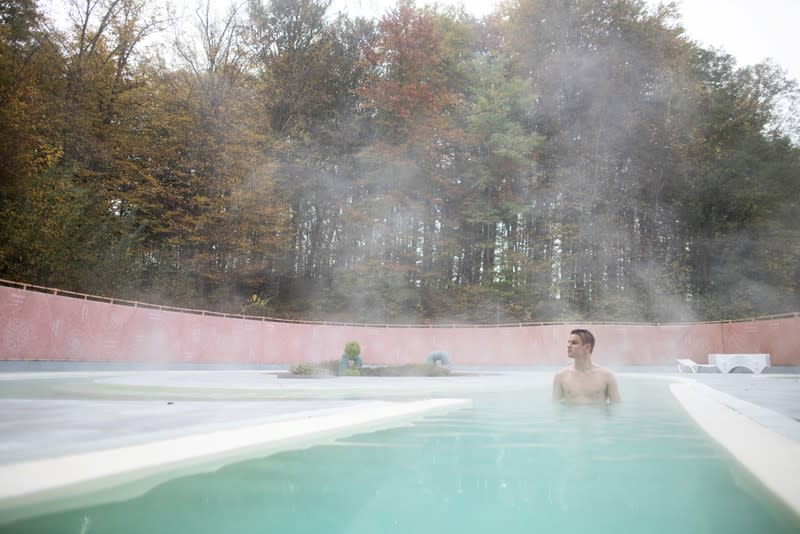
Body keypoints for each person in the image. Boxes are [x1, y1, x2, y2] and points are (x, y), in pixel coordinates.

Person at [552, 328, 621, 404]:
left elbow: (616, 406)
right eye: (569, 342)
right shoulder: (561, 376)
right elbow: (555, 407)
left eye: (574, 343)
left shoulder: (607, 376)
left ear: (587, 347)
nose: (569, 345)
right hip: (572, 416)